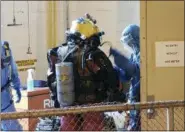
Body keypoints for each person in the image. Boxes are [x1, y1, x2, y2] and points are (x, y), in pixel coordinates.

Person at [109, 24, 140, 131]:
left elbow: (134, 70)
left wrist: (119, 59)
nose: (129, 45)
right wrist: (114, 70)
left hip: (140, 96)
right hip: (134, 98)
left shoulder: (143, 55)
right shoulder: (134, 55)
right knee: (133, 124)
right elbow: (126, 76)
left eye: (129, 42)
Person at [1, 41, 22, 131]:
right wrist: (17, 88)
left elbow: (12, 70)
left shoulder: (4, 47)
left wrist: (17, 87)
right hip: (4, 100)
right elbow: (13, 71)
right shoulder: (4, 47)